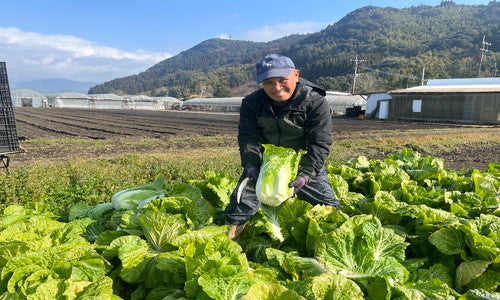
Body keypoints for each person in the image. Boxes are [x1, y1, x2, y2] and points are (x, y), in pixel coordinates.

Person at [224, 54, 340, 241]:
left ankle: (334, 243)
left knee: (329, 208)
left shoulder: (314, 101)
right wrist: (252, 163)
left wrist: (307, 174)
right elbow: (249, 137)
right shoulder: (252, 103)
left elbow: (320, 142)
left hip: (301, 161)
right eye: (269, 82)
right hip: (266, 161)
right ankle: (231, 241)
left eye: (282, 80)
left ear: (296, 75)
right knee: (238, 208)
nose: (276, 88)